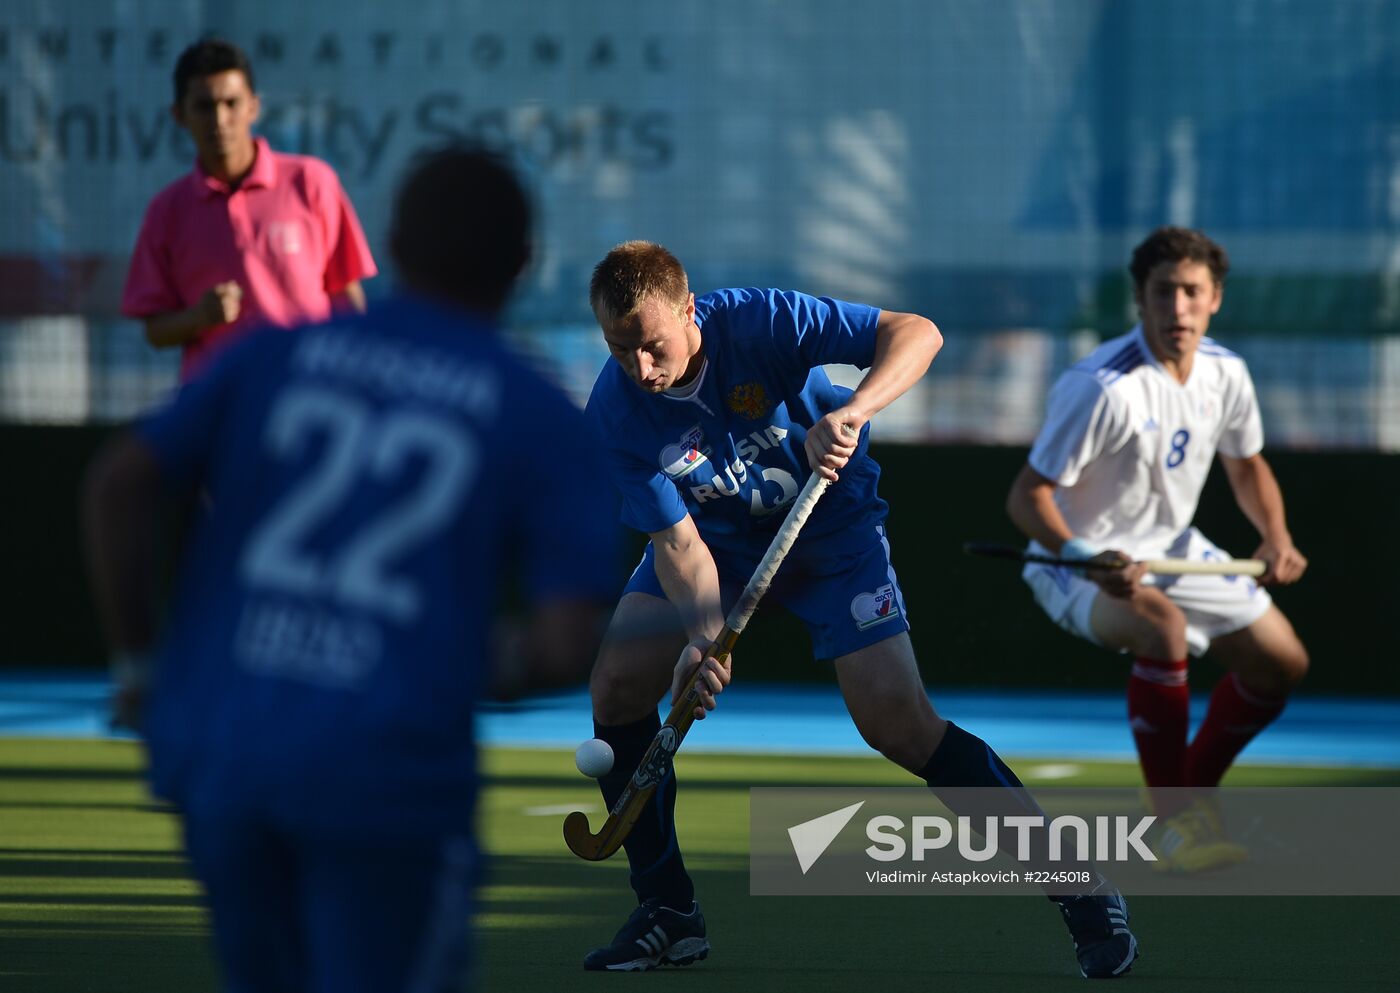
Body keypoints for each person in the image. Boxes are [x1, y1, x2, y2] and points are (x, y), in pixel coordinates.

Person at [85, 146, 618, 993]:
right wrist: (481, 653)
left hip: (224, 754)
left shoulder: (273, 356)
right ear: (522, 264)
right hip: (385, 780)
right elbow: (562, 644)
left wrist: (141, 664)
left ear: (394, 244)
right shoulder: (539, 414)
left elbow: (120, 484)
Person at [580, 241, 1139, 979]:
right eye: (620, 350)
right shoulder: (615, 412)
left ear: (689, 311)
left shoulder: (762, 322)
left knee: (897, 722)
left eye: (652, 345)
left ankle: (1077, 884)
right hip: (717, 544)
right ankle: (667, 910)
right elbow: (679, 545)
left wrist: (855, 410)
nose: (641, 368)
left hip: (831, 533)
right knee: (618, 685)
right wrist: (702, 642)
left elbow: (917, 332)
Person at [1006, 226, 1310, 872]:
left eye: (1192, 292)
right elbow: (1025, 499)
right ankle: (1172, 822)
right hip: (1073, 562)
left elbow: (1247, 466)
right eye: (1164, 291)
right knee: (1162, 627)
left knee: (1281, 662)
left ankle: (1189, 788)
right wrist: (1084, 554)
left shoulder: (1226, 372)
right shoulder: (1101, 386)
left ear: (1215, 298)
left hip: (1172, 548)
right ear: (1140, 298)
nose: (1178, 308)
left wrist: (1276, 535)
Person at [122, 37, 377, 381]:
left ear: (253, 107)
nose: (219, 119)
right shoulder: (167, 211)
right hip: (220, 397)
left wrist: (358, 374)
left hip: (302, 387)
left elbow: (346, 294)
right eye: (204, 106)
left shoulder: (311, 182)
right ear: (179, 115)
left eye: (231, 103)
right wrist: (199, 317)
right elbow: (155, 330)